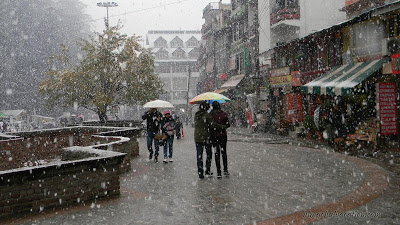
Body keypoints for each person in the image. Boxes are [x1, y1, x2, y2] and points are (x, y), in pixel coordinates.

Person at [194, 101, 226, 179]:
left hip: (197, 138)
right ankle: (207, 170)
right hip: (206, 138)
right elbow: (213, 125)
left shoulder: (196, 115)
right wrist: (222, 127)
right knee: (209, 154)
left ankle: (200, 173)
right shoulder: (207, 116)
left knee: (199, 155)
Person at [210, 101, 231, 178]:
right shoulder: (223, 114)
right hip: (223, 136)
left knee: (216, 153)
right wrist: (222, 127)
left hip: (214, 136)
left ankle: (218, 171)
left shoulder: (211, 115)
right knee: (224, 152)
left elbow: (209, 125)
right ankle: (225, 170)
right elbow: (228, 124)